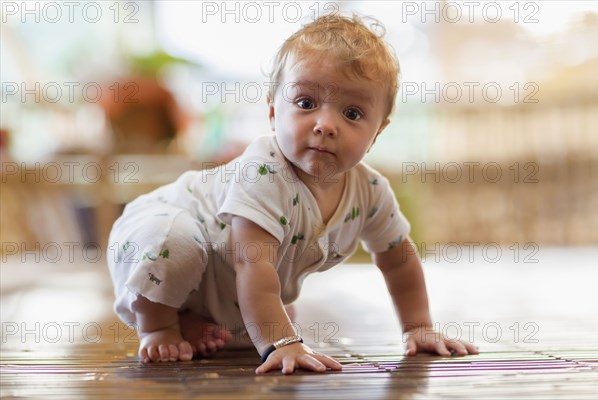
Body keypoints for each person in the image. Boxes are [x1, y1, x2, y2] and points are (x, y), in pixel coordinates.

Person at [107, 13, 478, 375]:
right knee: (180, 247)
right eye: (305, 103)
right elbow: (253, 264)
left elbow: (399, 259)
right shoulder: (264, 173)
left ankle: (194, 320)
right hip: (154, 235)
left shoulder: (370, 192)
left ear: (378, 130)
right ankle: (158, 323)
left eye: (351, 113)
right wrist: (281, 342)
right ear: (272, 112)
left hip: (219, 278)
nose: (325, 125)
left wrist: (419, 327)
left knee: (248, 319)